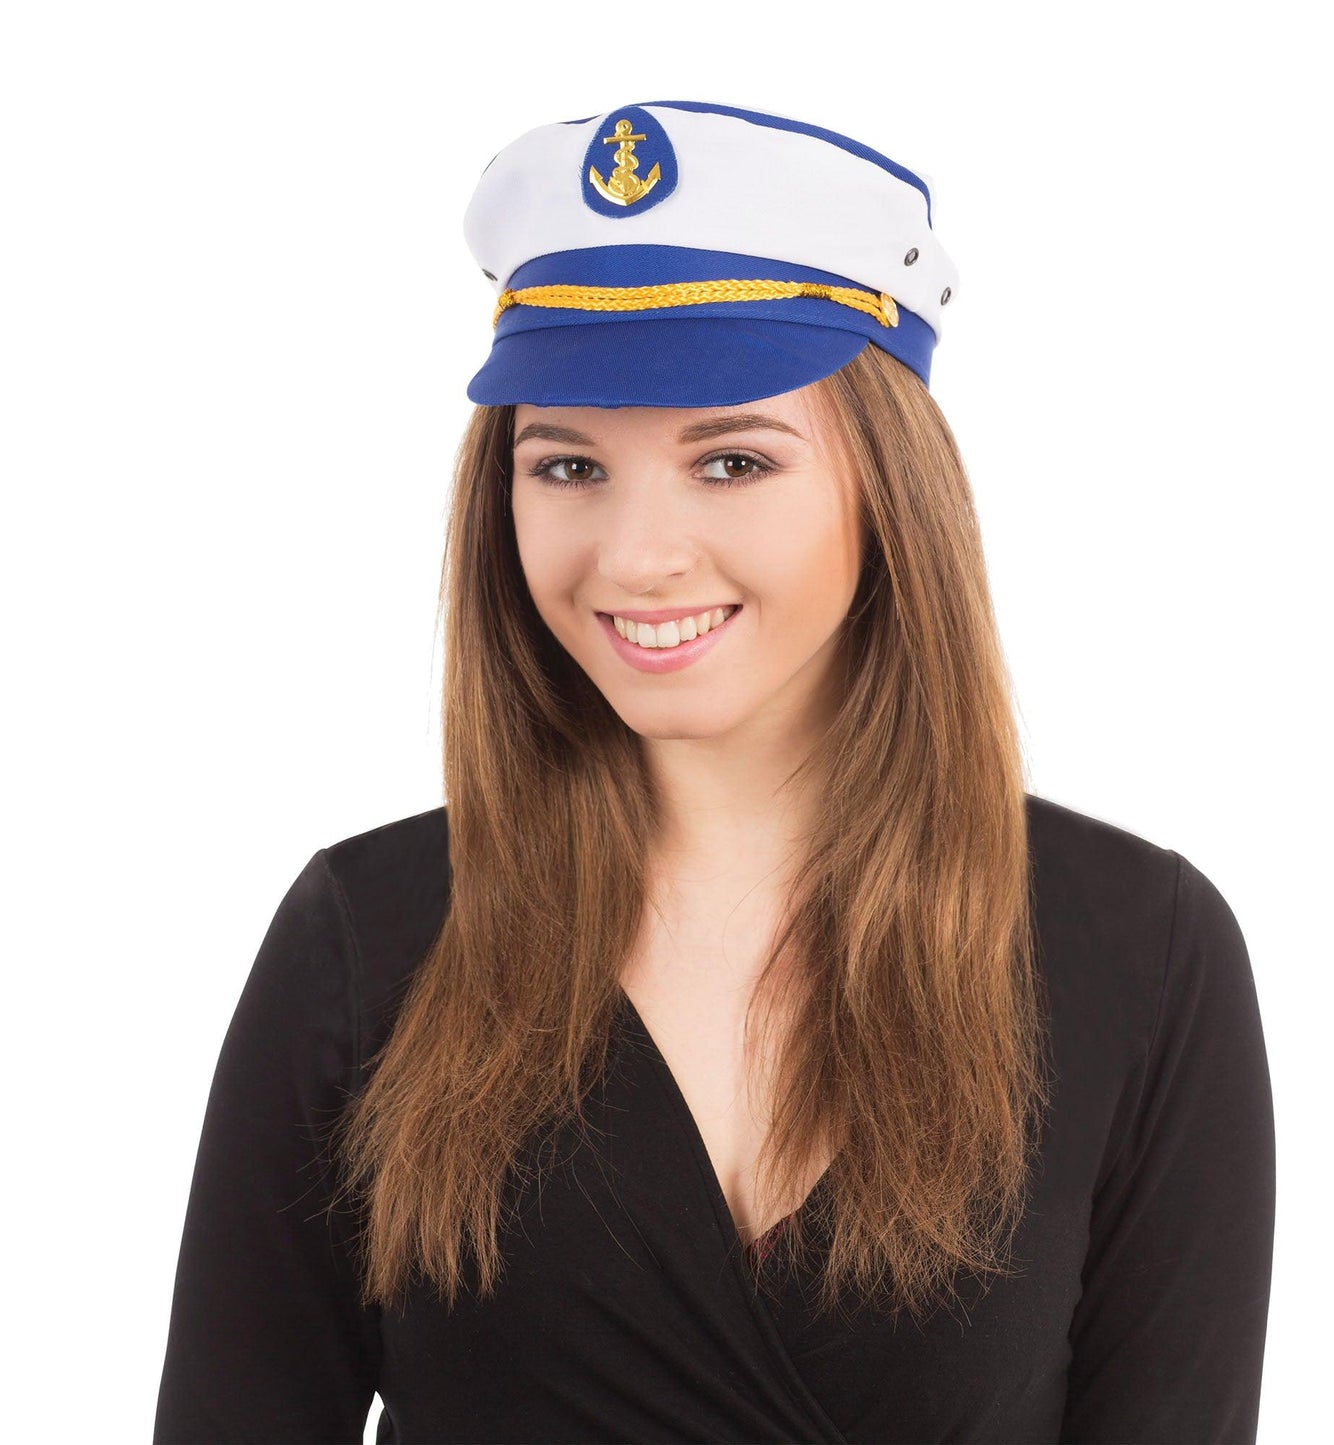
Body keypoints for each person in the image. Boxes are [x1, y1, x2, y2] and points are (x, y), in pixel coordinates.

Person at [153, 101, 1276, 1444]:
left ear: (888, 485)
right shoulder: (367, 939)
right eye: (568, 464)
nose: (636, 556)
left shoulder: (1139, 952)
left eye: (731, 461)